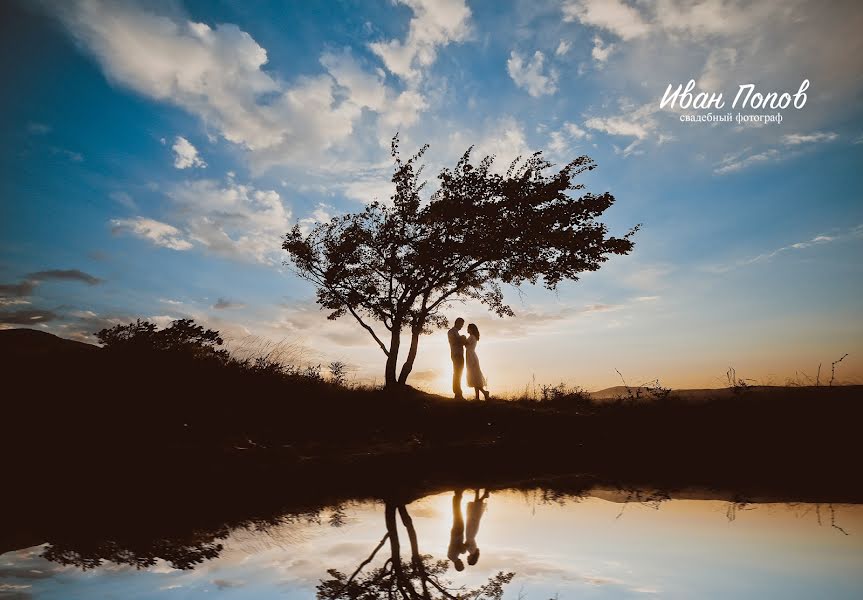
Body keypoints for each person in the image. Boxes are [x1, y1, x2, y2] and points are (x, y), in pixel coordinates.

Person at [465, 323, 490, 400]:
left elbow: (465, 343)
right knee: (474, 378)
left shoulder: (472, 337)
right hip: (471, 356)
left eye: (468, 328)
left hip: (471, 357)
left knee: (474, 376)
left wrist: (461, 338)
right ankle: (478, 397)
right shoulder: (472, 337)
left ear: (471, 329)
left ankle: (483, 394)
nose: (467, 329)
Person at [465, 489, 489, 566]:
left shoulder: (473, 551)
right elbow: (467, 543)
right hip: (470, 531)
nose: (467, 559)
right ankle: (484, 495)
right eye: (468, 560)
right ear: (472, 559)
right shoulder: (471, 551)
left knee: (474, 509)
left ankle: (477, 491)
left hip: (472, 531)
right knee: (474, 511)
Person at [447, 489, 466, 571]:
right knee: (457, 514)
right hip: (456, 533)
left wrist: (464, 550)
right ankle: (457, 496)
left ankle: (458, 495)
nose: (462, 562)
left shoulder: (453, 556)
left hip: (457, 533)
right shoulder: (452, 556)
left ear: (457, 565)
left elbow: (460, 545)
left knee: (458, 514)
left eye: (461, 564)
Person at [447, 318, 467, 400]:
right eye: (461, 324)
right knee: (457, 373)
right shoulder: (451, 331)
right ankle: (458, 393)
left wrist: (462, 339)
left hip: (459, 354)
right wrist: (462, 338)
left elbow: (460, 342)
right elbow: (454, 342)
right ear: (457, 323)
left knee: (459, 374)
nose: (462, 326)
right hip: (456, 355)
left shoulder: (456, 332)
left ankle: (458, 394)